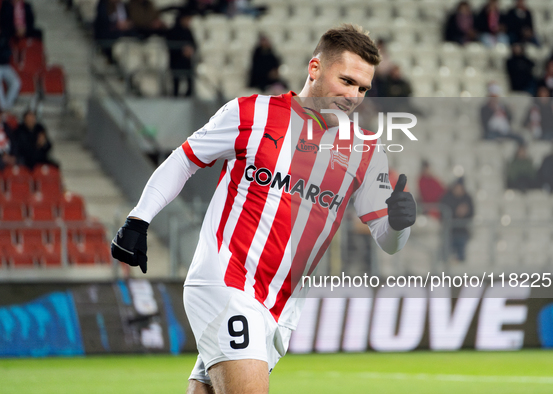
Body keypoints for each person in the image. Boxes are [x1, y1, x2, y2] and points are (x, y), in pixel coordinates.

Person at [110, 24, 416, 394]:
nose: (353, 96)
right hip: (227, 282)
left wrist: (400, 223)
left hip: (280, 307)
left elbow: (389, 240)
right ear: (315, 68)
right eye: (346, 81)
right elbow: (185, 160)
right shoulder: (252, 113)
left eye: (363, 88)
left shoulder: (367, 151)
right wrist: (139, 218)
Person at [440, 178, 474, 262]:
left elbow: (471, 213)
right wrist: (457, 212)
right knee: (447, 256)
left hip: (462, 231)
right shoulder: (447, 197)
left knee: (461, 256)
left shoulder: (467, 198)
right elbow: (444, 213)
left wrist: (465, 212)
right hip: (449, 231)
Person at [167, 13, 197, 97]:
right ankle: (175, 95)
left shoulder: (188, 31)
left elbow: (194, 44)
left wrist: (190, 49)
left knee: (189, 78)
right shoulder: (172, 31)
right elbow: (170, 45)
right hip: (175, 59)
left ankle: (188, 95)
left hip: (186, 60)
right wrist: (182, 50)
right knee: (176, 80)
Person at [0, 33, 21, 111]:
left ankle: (7, 106)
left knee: (16, 82)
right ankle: (3, 106)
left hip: (6, 65)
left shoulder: (4, 38)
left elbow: (8, 53)